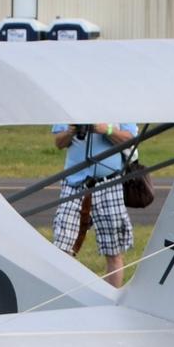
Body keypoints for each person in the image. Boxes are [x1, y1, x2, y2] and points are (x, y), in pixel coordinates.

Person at [50, 120, 138, 287]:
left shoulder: (121, 104)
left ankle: (112, 299)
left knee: (113, 250)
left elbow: (130, 139)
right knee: (62, 246)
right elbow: (58, 143)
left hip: (109, 183)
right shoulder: (70, 105)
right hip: (74, 183)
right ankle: (61, 295)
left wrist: (107, 129)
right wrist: (71, 132)